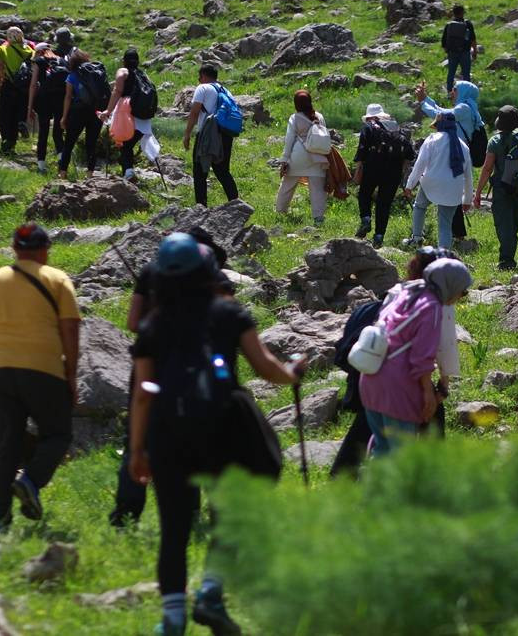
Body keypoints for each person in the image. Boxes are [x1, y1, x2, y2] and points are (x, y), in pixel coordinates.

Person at [128, 232, 306, 635]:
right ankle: (210, 591)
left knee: (173, 527)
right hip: (223, 425)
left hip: (168, 429)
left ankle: (172, 619)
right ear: (208, 271)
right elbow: (265, 367)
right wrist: (293, 371)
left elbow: (142, 394)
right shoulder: (227, 313)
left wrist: (138, 449)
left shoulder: (153, 325)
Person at [0, 223, 80, 532]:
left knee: (5, 447)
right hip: (44, 370)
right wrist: (71, 373)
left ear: (15, 250)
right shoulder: (58, 280)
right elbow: (70, 329)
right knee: (57, 435)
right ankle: (30, 481)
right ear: (45, 250)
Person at [109, 227, 225, 527]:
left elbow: (133, 321)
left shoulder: (151, 271)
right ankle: (194, 512)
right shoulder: (208, 276)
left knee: (140, 435)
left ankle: (126, 513)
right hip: (195, 369)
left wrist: (156, 328)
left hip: (151, 364)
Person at [330, 247, 461, 477]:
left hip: (373, 368)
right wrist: (441, 387)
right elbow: (441, 348)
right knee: (411, 436)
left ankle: (344, 474)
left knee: (373, 430)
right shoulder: (435, 302)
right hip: (402, 378)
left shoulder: (401, 290)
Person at [359, 258, 471, 456]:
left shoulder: (406, 292)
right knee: (401, 458)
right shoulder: (432, 306)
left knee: (381, 450)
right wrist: (428, 393)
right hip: (397, 388)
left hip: (371, 377)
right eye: (463, 291)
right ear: (450, 285)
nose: (461, 297)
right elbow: (422, 356)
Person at [417, 79, 484, 246]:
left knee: (448, 197)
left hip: (454, 155)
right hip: (454, 155)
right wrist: (426, 99)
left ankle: (451, 237)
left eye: (455, 89)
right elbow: (443, 111)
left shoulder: (464, 108)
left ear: (463, 92)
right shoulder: (467, 107)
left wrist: (423, 103)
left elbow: (439, 115)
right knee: (452, 195)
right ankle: (457, 235)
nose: (452, 92)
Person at [473, 106, 518, 268]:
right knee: (514, 223)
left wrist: (478, 192)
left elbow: (487, 168)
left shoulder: (495, 141)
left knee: (503, 224)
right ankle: (509, 253)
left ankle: (506, 260)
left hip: (502, 188)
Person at [403, 113, 473, 249]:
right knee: (445, 224)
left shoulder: (432, 140)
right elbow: (468, 175)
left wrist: (409, 185)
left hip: (431, 183)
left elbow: (420, 164)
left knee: (420, 206)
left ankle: (416, 238)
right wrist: (467, 200)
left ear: (440, 125)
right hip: (453, 188)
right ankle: (444, 253)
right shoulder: (463, 146)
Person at [353, 103, 414, 248]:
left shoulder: (369, 127)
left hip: (372, 167)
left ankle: (366, 219)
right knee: (384, 204)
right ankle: (379, 236)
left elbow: (362, 150)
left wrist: (358, 169)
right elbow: (410, 154)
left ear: (370, 117)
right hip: (393, 172)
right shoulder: (398, 129)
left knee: (364, 194)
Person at [183, 64, 239, 207]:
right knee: (222, 171)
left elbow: (195, 112)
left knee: (199, 170)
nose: (198, 79)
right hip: (225, 134)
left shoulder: (203, 88)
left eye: (200, 76)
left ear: (204, 76)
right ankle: (236, 204)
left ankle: (201, 207)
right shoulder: (226, 90)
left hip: (208, 134)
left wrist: (187, 134)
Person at [99, 49, 160, 181]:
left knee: (124, 144)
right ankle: (128, 172)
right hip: (143, 118)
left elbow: (117, 90)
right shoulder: (143, 75)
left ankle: (128, 173)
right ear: (138, 61)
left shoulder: (123, 71)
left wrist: (108, 111)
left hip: (127, 115)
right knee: (128, 145)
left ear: (124, 60)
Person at [276, 89, 328, 224]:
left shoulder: (294, 118)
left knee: (287, 185)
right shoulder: (319, 116)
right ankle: (318, 218)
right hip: (317, 156)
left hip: (298, 155)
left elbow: (289, 140)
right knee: (317, 189)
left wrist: (285, 160)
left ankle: (280, 212)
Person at [58, 49, 105, 179]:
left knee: (69, 143)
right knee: (91, 143)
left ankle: (63, 173)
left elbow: (68, 97)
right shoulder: (95, 73)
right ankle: (90, 173)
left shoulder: (72, 75)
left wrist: (64, 117)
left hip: (78, 112)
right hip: (96, 111)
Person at [0, 26, 32, 156]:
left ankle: (6, 143)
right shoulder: (29, 50)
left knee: (5, 116)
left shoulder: (1, 49)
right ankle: (14, 139)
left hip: (8, 85)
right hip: (24, 88)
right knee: (17, 116)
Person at [25, 43, 65, 174]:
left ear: (40, 52)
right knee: (58, 133)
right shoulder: (62, 61)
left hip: (44, 100)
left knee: (43, 132)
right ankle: (62, 162)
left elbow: (33, 85)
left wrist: (30, 107)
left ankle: (41, 166)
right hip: (60, 99)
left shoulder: (39, 61)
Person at [441, 5, 476, 93]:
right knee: (466, 74)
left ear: (454, 13)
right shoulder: (467, 23)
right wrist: (475, 51)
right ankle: (466, 93)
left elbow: (444, 41)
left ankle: (449, 93)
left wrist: (448, 50)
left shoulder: (449, 25)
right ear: (462, 13)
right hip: (465, 52)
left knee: (451, 73)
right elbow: (473, 39)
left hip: (452, 53)